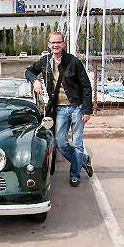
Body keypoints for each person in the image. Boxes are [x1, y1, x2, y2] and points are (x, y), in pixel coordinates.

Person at [25, 31, 94, 187]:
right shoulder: (45, 61)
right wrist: (35, 80)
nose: (55, 45)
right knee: (60, 142)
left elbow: (86, 87)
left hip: (77, 107)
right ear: (49, 44)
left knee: (77, 143)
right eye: (52, 43)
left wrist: (87, 110)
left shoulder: (73, 62)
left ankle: (75, 175)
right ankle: (83, 160)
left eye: (58, 42)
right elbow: (28, 71)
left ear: (63, 43)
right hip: (60, 109)